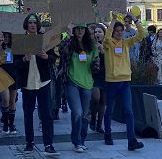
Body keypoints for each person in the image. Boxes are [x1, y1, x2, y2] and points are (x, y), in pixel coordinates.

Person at [15, 13, 59, 156]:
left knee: (46, 114)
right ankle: (29, 143)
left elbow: (54, 58)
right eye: (30, 22)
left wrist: (47, 57)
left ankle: (48, 144)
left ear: (38, 25)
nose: (32, 25)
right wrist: (23, 60)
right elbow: (15, 63)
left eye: (34, 22)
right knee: (28, 114)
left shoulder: (44, 39)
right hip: (28, 83)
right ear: (26, 25)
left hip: (43, 82)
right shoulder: (20, 41)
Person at [103, 12, 144, 151]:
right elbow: (106, 37)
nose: (119, 33)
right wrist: (113, 20)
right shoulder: (108, 43)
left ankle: (131, 140)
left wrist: (134, 19)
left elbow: (141, 35)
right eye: (117, 30)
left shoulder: (126, 43)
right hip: (112, 82)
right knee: (109, 109)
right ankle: (107, 134)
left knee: (128, 111)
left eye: (121, 30)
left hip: (125, 81)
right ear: (113, 31)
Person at [59, 23, 99, 153]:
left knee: (85, 114)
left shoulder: (91, 45)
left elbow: (96, 65)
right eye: (78, 29)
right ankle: (76, 142)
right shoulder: (70, 42)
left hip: (87, 83)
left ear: (86, 30)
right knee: (77, 112)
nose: (80, 31)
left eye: (82, 28)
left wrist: (96, 63)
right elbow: (62, 50)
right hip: (72, 82)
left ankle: (82, 140)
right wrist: (69, 35)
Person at [0, 32, 18, 134]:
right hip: (2, 75)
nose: (6, 39)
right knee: (5, 99)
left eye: (8, 37)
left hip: (13, 74)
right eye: (4, 37)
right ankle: (5, 123)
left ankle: (11, 124)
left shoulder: (14, 47)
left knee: (12, 100)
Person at [89, 23, 106, 133]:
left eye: (100, 32)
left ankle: (100, 124)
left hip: (105, 75)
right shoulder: (91, 46)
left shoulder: (107, 45)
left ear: (104, 34)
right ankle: (93, 118)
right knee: (96, 98)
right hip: (94, 76)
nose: (97, 34)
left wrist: (103, 51)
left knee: (103, 101)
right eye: (96, 32)